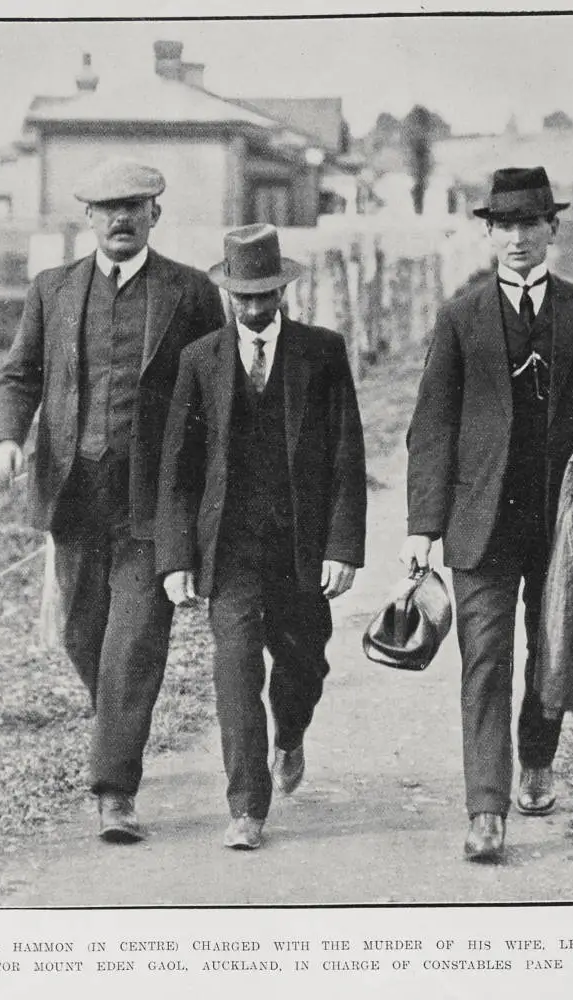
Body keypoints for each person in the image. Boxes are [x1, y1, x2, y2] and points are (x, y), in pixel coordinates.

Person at [400, 166, 573, 863]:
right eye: (504, 226)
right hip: (482, 523)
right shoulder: (461, 317)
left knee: (551, 648)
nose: (516, 238)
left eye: (529, 225)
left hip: (567, 521)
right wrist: (423, 529)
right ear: (487, 232)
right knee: (483, 659)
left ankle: (537, 757)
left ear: (551, 230)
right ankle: (486, 809)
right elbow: (432, 427)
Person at [0, 158, 225, 844]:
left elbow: (215, 391)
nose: (121, 219)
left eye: (135, 206)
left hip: (154, 501)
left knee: (135, 639)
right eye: (107, 208)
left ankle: (114, 789)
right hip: (73, 496)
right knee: (82, 634)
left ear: (156, 213)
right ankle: (118, 722)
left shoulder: (191, 291)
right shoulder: (52, 289)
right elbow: (18, 376)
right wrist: (5, 439)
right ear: (88, 218)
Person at [155, 223, 366, 850]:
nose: (253, 309)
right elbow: (178, 468)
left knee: (304, 665)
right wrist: (175, 558)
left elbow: (346, 456)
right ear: (227, 293)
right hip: (231, 552)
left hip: (301, 549)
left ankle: (290, 734)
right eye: (242, 296)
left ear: (282, 291)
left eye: (264, 295)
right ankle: (247, 805)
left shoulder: (322, 352)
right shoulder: (201, 360)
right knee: (235, 670)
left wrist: (343, 547)